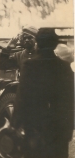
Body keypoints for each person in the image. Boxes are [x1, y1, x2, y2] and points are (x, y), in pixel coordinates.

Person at [12, 28, 74, 158]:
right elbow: (70, 100)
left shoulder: (30, 66)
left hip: (35, 127)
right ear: (55, 44)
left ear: (37, 43)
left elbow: (21, 98)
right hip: (59, 127)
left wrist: (15, 124)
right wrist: (69, 128)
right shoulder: (64, 67)